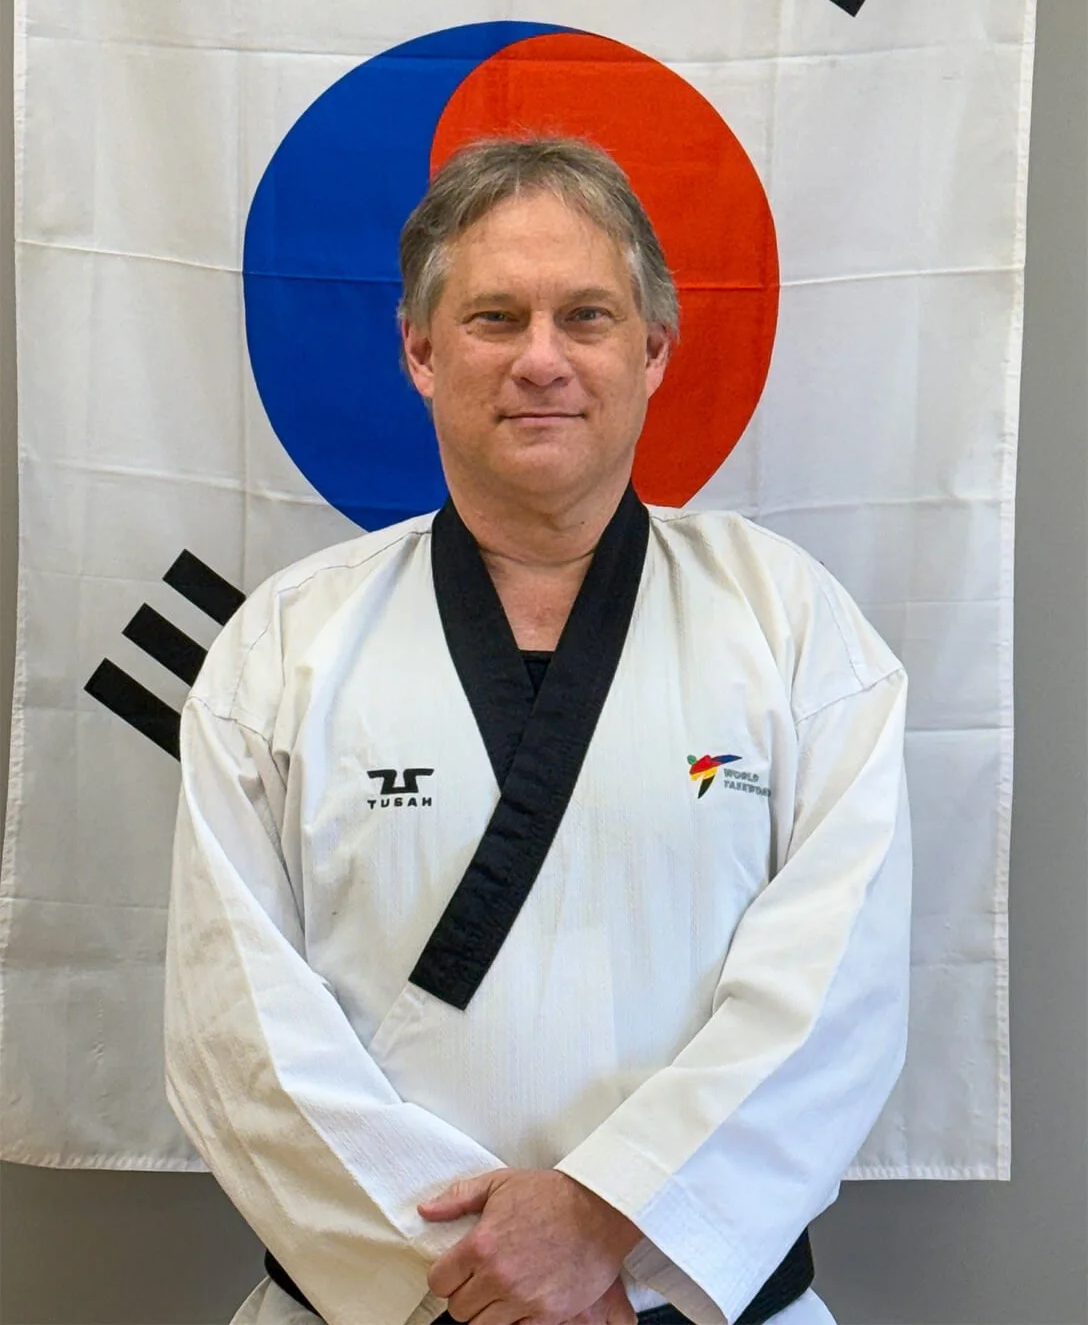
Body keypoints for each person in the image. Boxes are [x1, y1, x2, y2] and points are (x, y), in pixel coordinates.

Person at [164, 136, 911, 1325]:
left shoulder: (791, 624)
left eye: (588, 317)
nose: (542, 361)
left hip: (684, 1296)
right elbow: (234, 1025)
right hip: (390, 1300)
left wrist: (606, 1222)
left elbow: (837, 994)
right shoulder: (284, 647)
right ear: (418, 349)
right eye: (494, 318)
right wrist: (482, 1275)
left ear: (654, 350)